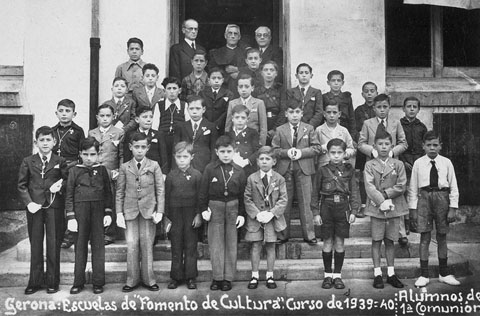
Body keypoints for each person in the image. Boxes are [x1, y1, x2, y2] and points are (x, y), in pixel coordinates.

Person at [18, 126, 68, 295]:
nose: (45, 143)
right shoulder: (28, 161)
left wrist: (59, 187)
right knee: (36, 244)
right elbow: (22, 185)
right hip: (35, 208)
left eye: (48, 140)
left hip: (53, 207)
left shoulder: (59, 161)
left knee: (53, 244)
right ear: (36, 142)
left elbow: (67, 181)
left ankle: (52, 281)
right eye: (42, 140)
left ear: (54, 142)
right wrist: (29, 202)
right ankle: (35, 281)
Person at [408, 131, 460, 288]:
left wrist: (452, 208)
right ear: (423, 146)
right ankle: (424, 275)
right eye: (429, 145)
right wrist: (413, 209)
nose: (432, 148)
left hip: (442, 198)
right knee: (424, 236)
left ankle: (444, 273)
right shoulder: (418, 163)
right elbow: (412, 188)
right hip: (424, 198)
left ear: (440, 146)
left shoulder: (446, 163)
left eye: (435, 145)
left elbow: (454, 186)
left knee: (442, 236)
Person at [116, 132, 164, 292]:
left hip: (148, 211)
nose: (139, 150)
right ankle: (131, 280)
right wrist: (118, 213)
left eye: (143, 147)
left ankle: (149, 279)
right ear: (130, 147)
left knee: (147, 245)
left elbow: (160, 190)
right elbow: (120, 192)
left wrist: (160, 211)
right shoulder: (125, 167)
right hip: (130, 210)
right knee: (132, 246)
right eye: (136, 147)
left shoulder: (154, 165)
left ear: (148, 148)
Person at [199, 136, 247, 292]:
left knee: (231, 244)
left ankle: (228, 278)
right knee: (216, 244)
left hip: (233, 208)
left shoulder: (239, 171)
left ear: (234, 152)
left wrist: (241, 214)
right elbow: (203, 192)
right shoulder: (210, 169)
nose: (226, 154)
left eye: (229, 151)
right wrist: (203, 209)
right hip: (215, 208)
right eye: (222, 151)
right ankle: (217, 277)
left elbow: (242, 195)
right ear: (216, 152)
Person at [66, 137, 113, 294]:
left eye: (92, 154)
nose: (89, 158)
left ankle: (98, 282)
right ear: (80, 154)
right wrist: (71, 217)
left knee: (98, 246)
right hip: (80, 212)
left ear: (98, 154)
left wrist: (108, 212)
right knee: (80, 246)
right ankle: (78, 282)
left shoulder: (102, 170)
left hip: (98, 211)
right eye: (85, 154)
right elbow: (69, 195)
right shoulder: (74, 171)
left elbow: (108, 193)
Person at [311, 138, 360, 290]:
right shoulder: (322, 170)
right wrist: (316, 213)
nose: (336, 156)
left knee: (339, 242)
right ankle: (327, 275)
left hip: (343, 208)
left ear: (345, 153)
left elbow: (354, 192)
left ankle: (337, 275)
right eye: (333, 153)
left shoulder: (349, 170)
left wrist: (353, 211)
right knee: (327, 241)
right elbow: (314, 194)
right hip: (327, 207)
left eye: (339, 152)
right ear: (328, 153)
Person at [272, 100, 321, 244]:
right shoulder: (280, 130)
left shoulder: (309, 128)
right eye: (291, 112)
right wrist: (287, 152)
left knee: (306, 202)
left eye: (297, 112)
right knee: (284, 203)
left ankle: (309, 235)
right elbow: (274, 150)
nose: (294, 115)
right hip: (285, 170)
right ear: (286, 114)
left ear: (302, 113)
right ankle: (282, 235)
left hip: (304, 169)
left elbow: (317, 148)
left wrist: (301, 152)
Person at [364, 130, 408, 289]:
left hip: (394, 207)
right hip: (376, 208)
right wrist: (380, 199)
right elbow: (369, 186)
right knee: (376, 240)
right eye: (380, 144)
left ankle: (391, 273)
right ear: (374, 146)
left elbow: (402, 185)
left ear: (392, 146)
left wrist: (386, 194)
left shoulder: (398, 164)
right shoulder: (369, 165)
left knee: (390, 241)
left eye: (387, 144)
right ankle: (377, 274)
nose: (383, 147)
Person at [244, 146, 287, 290]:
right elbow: (247, 198)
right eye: (261, 159)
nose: (264, 162)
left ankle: (270, 275)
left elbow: (283, 199)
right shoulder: (252, 178)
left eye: (267, 159)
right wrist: (257, 214)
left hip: (272, 219)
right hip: (256, 218)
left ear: (274, 161)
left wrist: (271, 213)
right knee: (255, 245)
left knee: (270, 246)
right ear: (257, 161)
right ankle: (254, 275)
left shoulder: (279, 179)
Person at [165, 142, 203, 290]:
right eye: (179, 157)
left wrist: (198, 215)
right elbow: (167, 197)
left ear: (191, 157)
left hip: (191, 214)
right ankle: (176, 276)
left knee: (190, 245)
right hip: (175, 215)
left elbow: (201, 197)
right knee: (176, 245)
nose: (182, 160)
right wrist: (166, 218)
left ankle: (190, 276)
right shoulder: (171, 176)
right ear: (174, 157)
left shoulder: (197, 175)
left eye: (185, 157)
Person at [51, 99, 85, 250]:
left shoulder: (78, 131)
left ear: (74, 113)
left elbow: (82, 151)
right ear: (56, 113)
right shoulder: (52, 130)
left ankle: (70, 236)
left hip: (71, 167)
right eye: (61, 111)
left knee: (69, 201)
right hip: (56, 168)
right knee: (56, 201)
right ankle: (57, 234)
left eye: (68, 111)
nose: (64, 114)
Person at [88, 104, 124, 245]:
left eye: (108, 115)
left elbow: (121, 154)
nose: (104, 118)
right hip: (95, 171)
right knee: (96, 202)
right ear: (97, 117)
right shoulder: (92, 133)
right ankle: (97, 233)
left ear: (113, 117)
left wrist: (119, 171)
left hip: (110, 172)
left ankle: (109, 234)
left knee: (111, 202)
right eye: (101, 116)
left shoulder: (118, 132)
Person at [174, 95, 218, 173]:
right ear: (187, 109)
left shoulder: (210, 126)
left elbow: (213, 149)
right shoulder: (181, 126)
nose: (194, 112)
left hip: (204, 165)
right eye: (191, 109)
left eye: (198, 108)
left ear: (203, 109)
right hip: (184, 165)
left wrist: (211, 167)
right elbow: (175, 149)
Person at [152, 77, 188, 173]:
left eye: (174, 88)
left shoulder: (184, 105)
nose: (172, 91)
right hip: (163, 138)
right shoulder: (159, 105)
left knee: (176, 163)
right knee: (164, 163)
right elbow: (155, 125)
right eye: (169, 88)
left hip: (178, 139)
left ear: (179, 90)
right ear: (164, 91)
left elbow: (187, 125)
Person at [354, 82, 378, 218]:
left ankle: (376, 204)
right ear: (362, 94)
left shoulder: (379, 109)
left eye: (372, 91)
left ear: (376, 92)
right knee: (363, 178)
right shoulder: (359, 110)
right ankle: (363, 205)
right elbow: (356, 129)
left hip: (379, 148)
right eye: (366, 91)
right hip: (364, 149)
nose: (369, 94)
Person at [358, 94, 407, 161]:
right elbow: (361, 144)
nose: (382, 110)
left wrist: (392, 152)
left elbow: (403, 143)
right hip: (373, 161)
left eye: (385, 107)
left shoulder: (396, 123)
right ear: (374, 108)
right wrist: (372, 151)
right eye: (379, 107)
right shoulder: (367, 123)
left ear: (389, 107)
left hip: (391, 161)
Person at [225, 73, 267, 146]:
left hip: (253, 141)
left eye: (247, 86)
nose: (243, 89)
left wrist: (260, 145)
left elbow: (263, 128)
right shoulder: (232, 103)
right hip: (236, 142)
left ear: (252, 88)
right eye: (241, 87)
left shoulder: (259, 103)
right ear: (237, 88)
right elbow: (228, 126)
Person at [124, 106, 168, 174]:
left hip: (153, 172)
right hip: (135, 172)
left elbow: (164, 157)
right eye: (145, 117)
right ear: (137, 119)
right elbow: (126, 156)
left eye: (151, 117)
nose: (148, 120)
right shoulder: (130, 135)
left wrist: (164, 174)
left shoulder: (159, 135)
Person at [254, 60, 286, 145]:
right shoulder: (256, 90)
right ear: (261, 73)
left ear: (276, 73)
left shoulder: (281, 89)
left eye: (272, 70)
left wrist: (275, 130)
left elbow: (283, 111)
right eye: (266, 70)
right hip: (260, 126)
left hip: (277, 125)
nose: (269, 73)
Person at [315, 102, 355, 168]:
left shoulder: (344, 131)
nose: (331, 115)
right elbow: (314, 149)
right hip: (324, 166)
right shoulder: (319, 130)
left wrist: (344, 153)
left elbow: (351, 148)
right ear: (324, 114)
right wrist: (323, 148)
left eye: (334, 112)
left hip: (341, 165)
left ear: (339, 114)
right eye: (328, 112)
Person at [208, 24, 246, 92]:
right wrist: (229, 77)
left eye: (235, 34)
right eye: (230, 33)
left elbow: (249, 70)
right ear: (225, 36)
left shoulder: (245, 53)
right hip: (222, 89)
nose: (233, 36)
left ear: (239, 37)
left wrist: (238, 75)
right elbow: (212, 71)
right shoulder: (216, 53)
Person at [227, 104, 261, 177]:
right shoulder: (228, 134)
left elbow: (257, 151)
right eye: (237, 117)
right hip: (231, 166)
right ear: (232, 118)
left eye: (243, 118)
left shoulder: (253, 133)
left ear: (247, 119)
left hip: (247, 167)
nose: (240, 120)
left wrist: (247, 161)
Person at [286, 63, 323, 129]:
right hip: (294, 126)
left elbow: (319, 112)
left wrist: (309, 126)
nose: (304, 75)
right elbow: (288, 110)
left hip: (310, 127)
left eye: (306, 73)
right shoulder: (290, 92)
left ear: (311, 75)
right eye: (301, 73)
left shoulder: (316, 92)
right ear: (296, 76)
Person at [322, 70, 357, 140]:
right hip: (329, 129)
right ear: (328, 83)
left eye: (338, 80)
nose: (336, 83)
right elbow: (322, 116)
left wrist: (352, 136)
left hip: (345, 129)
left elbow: (352, 118)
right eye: (333, 80)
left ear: (342, 83)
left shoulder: (347, 97)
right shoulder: (324, 97)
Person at [200, 67, 234, 134]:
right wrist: (207, 124)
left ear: (223, 80)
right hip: (205, 126)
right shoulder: (202, 93)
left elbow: (227, 112)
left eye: (219, 78)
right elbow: (201, 109)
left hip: (221, 127)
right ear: (209, 80)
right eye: (213, 78)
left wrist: (217, 124)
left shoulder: (228, 94)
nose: (216, 81)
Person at [399, 97, 427, 177]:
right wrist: (403, 162)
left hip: (419, 159)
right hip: (404, 159)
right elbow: (396, 144)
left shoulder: (422, 127)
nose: (412, 109)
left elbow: (425, 145)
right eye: (409, 106)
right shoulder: (399, 125)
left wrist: (421, 161)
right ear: (403, 109)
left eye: (414, 107)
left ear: (418, 110)